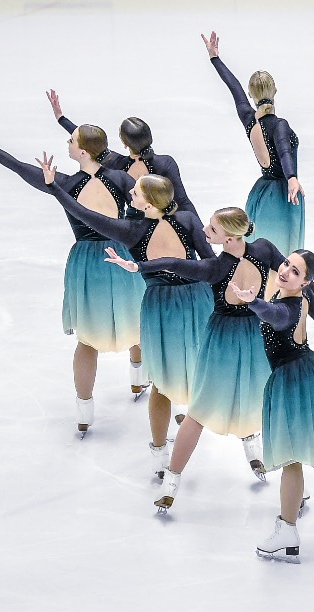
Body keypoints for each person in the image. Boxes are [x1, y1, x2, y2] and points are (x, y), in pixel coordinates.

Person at [105, 207, 314, 511]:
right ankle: (173, 480)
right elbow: (176, 263)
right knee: (203, 410)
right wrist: (138, 266)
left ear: (231, 237)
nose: (204, 231)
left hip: (247, 337)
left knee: (259, 405)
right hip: (232, 340)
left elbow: (301, 286)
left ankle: (286, 479)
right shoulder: (227, 263)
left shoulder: (252, 254)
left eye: (213, 229)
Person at [0, 117, 145, 436]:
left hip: (87, 264)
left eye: (72, 141)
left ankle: (84, 412)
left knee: (87, 340)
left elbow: (19, 168)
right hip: (122, 256)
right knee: (137, 322)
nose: (68, 143)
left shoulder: (66, 184)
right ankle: (138, 379)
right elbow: (146, 209)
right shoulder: (121, 179)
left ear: (83, 152)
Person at [39, 156, 213, 477]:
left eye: (135, 193)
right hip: (194, 301)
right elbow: (211, 264)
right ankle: (169, 443)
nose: (129, 193)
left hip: (169, 306)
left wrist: (55, 188)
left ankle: (163, 449)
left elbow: (84, 214)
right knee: (182, 370)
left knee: (177, 374)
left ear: (148, 203)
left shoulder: (134, 231)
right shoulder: (182, 220)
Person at [230, 250, 314, 564]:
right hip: (312, 372)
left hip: (292, 380)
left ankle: (287, 534)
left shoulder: (287, 308)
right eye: (286, 264)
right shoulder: (303, 295)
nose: (285, 271)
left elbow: (274, 314)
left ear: (305, 282)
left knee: (290, 458)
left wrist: (253, 302)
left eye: (295, 271)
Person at [202, 31, 305, 253]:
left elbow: (234, 88)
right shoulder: (280, 125)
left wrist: (215, 58)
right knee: (283, 253)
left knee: (257, 251)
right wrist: (292, 177)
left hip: (261, 192)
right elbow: (284, 149)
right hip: (284, 195)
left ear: (250, 94)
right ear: (275, 90)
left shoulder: (249, 119)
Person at [46, 89, 198, 216]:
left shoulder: (117, 164)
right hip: (164, 226)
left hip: (134, 231)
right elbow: (183, 201)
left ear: (125, 144)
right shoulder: (165, 163)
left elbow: (89, 141)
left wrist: (61, 118)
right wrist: (197, 232)